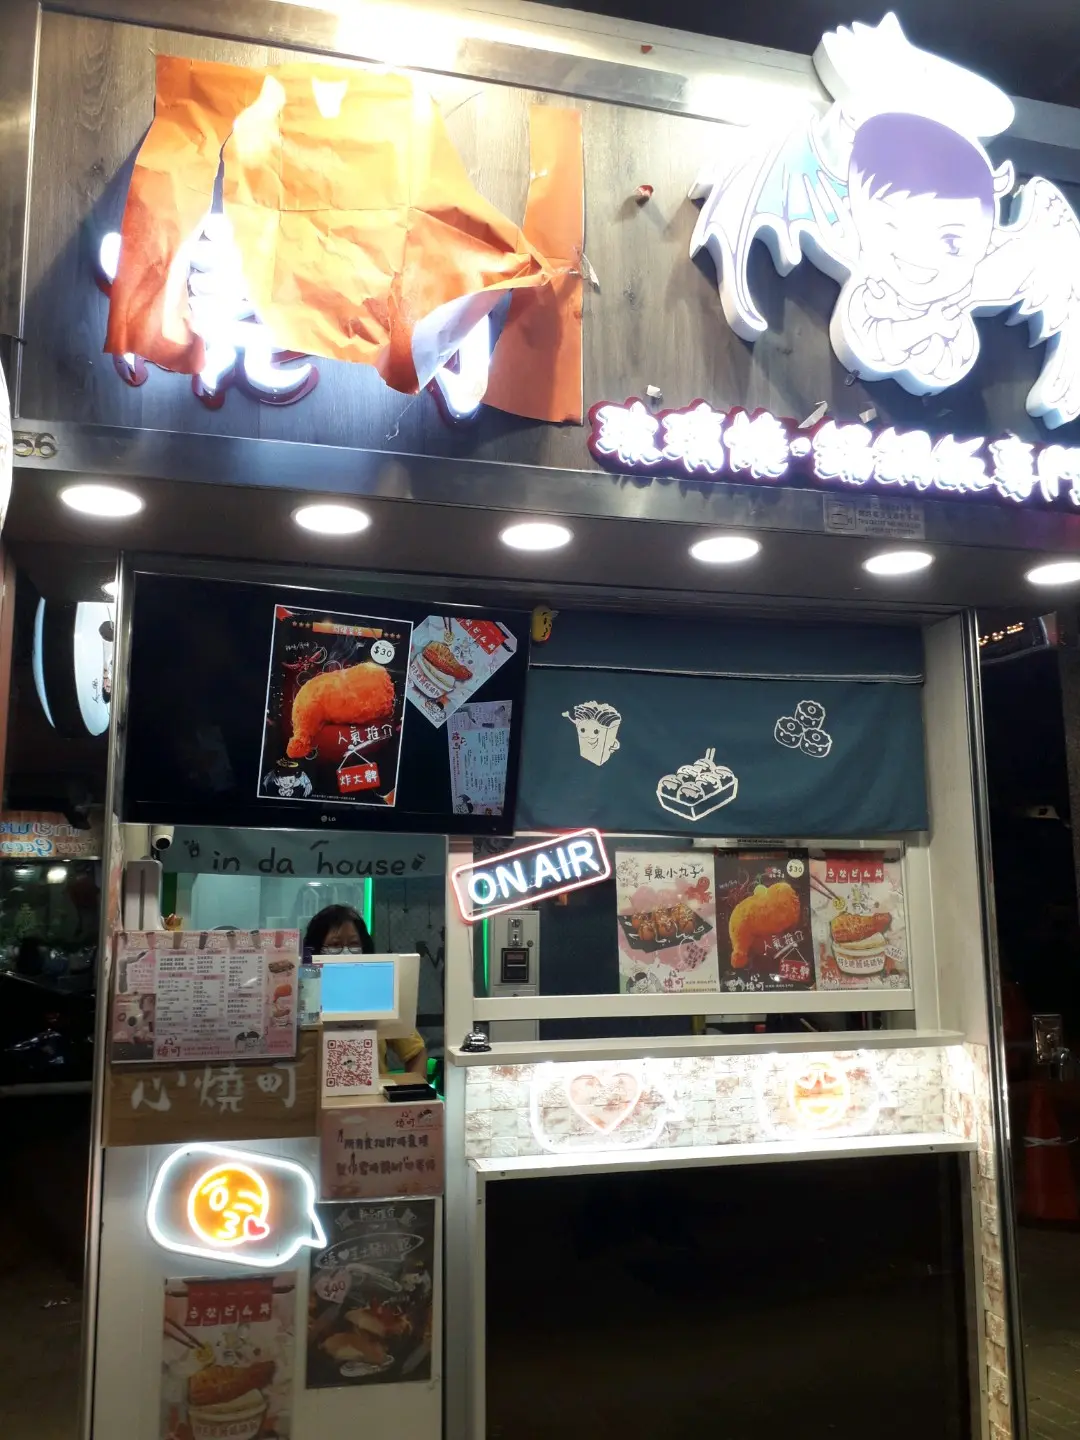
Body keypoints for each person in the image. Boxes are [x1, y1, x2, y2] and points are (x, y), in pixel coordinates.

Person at [304, 904, 427, 1078]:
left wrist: (411, 1090)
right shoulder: (303, 996)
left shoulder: (380, 995)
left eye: (354, 944)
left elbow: (416, 1052)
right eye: (335, 945)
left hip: (373, 1094)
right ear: (315, 949)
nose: (346, 952)